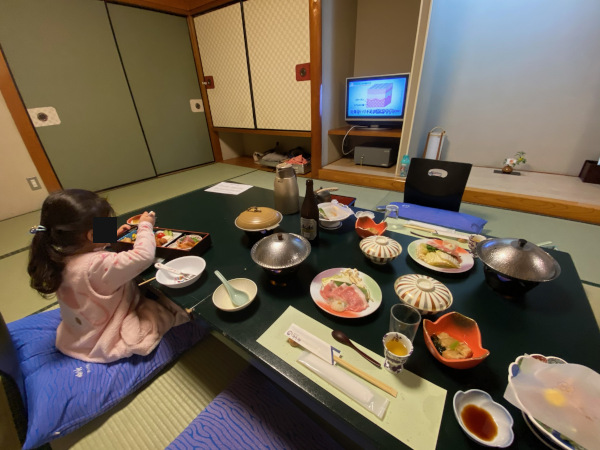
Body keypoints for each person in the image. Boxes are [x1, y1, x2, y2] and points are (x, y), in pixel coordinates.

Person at [27, 189, 190, 363]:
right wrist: (145, 226)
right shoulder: (97, 265)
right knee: (171, 310)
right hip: (102, 335)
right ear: (91, 235)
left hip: (78, 329)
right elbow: (144, 256)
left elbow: (89, 247)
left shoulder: (56, 255)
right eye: (105, 226)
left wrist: (110, 236)